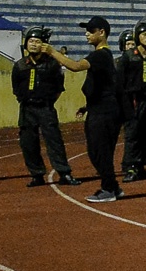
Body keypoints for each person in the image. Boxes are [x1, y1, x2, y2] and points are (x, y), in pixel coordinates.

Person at [49, 16, 122, 202]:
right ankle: (113, 187)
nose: (86, 34)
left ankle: (109, 189)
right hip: (99, 109)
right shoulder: (102, 56)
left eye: (90, 31)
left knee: (99, 151)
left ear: (102, 32)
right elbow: (103, 86)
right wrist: (88, 106)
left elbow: (75, 66)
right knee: (96, 150)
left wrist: (51, 52)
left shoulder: (101, 55)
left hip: (105, 112)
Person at [13, 28, 76, 187]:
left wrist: (47, 101)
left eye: (37, 41)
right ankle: (37, 174)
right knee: (28, 143)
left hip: (46, 108)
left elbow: (58, 88)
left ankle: (64, 173)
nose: (34, 44)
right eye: (31, 41)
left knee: (54, 141)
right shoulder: (19, 65)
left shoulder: (52, 65)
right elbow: (16, 88)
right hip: (27, 109)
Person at [118, 22, 146, 183]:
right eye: (144, 35)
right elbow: (120, 81)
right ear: (137, 37)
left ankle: (141, 166)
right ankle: (130, 167)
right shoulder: (128, 57)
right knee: (133, 135)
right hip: (133, 100)